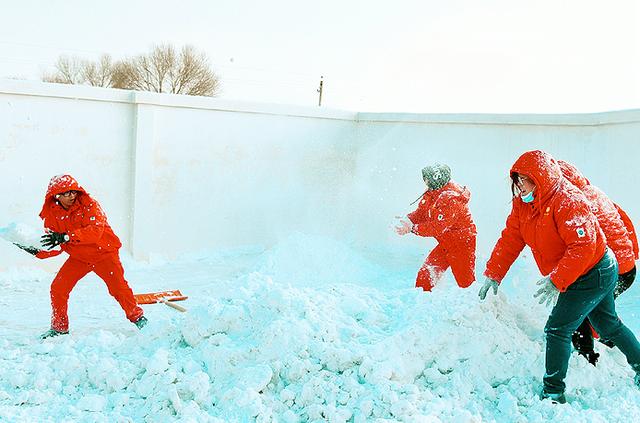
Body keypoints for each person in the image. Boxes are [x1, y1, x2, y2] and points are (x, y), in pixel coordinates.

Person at [478, 150, 640, 404]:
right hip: (580, 270)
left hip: (594, 271)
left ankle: (553, 392)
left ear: (540, 178)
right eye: (516, 179)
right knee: (608, 325)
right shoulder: (523, 204)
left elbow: (583, 246)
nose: (519, 186)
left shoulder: (569, 201)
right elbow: (511, 237)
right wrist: (494, 273)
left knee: (557, 329)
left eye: (524, 179)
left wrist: (557, 280)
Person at [31, 174, 147, 338]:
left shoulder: (90, 205)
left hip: (104, 254)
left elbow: (95, 233)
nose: (72, 196)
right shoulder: (52, 215)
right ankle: (59, 328)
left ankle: (138, 318)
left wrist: (65, 236)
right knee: (58, 288)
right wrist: (37, 252)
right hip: (80, 258)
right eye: (66, 193)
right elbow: (56, 247)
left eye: (74, 192)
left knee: (118, 288)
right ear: (56, 195)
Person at [558, 160, 637, 365]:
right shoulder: (595, 192)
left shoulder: (575, 203)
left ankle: (585, 356)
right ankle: (606, 339)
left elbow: (584, 244)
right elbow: (624, 219)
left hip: (608, 268)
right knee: (599, 310)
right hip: (627, 269)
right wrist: (633, 252)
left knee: (582, 307)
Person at [395, 163, 476, 291]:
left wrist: (413, 229)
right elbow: (422, 213)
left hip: (461, 245)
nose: (425, 183)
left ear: (435, 180)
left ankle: (481, 307)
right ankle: (424, 302)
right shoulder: (433, 192)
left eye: (427, 180)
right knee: (425, 277)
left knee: (466, 285)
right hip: (446, 243)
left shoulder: (451, 199)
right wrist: (408, 220)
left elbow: (437, 227)